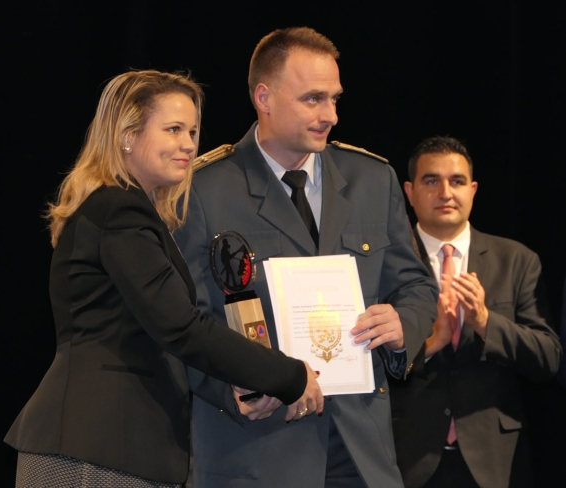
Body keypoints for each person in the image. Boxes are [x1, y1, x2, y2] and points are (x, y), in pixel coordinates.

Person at [4, 70, 325, 488]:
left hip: (114, 446)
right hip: (96, 446)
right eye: (173, 129)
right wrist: (288, 375)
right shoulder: (120, 210)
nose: (188, 144)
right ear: (127, 136)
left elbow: (162, 336)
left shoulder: (125, 209)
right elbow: (180, 327)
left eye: (192, 131)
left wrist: (235, 387)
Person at [174, 28, 438, 488]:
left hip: (362, 452)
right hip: (257, 451)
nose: (330, 115)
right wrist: (231, 388)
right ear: (264, 97)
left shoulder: (372, 179)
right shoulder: (203, 190)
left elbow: (416, 287)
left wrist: (402, 327)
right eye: (313, 99)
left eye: (334, 99)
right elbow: (180, 320)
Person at [392, 136, 562, 488]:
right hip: (406, 458)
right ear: (409, 192)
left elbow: (548, 358)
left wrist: (486, 322)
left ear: (472, 190)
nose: (445, 193)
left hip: (495, 462)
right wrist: (430, 344)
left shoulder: (516, 260)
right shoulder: (386, 262)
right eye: (431, 181)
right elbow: (365, 361)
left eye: (456, 181)